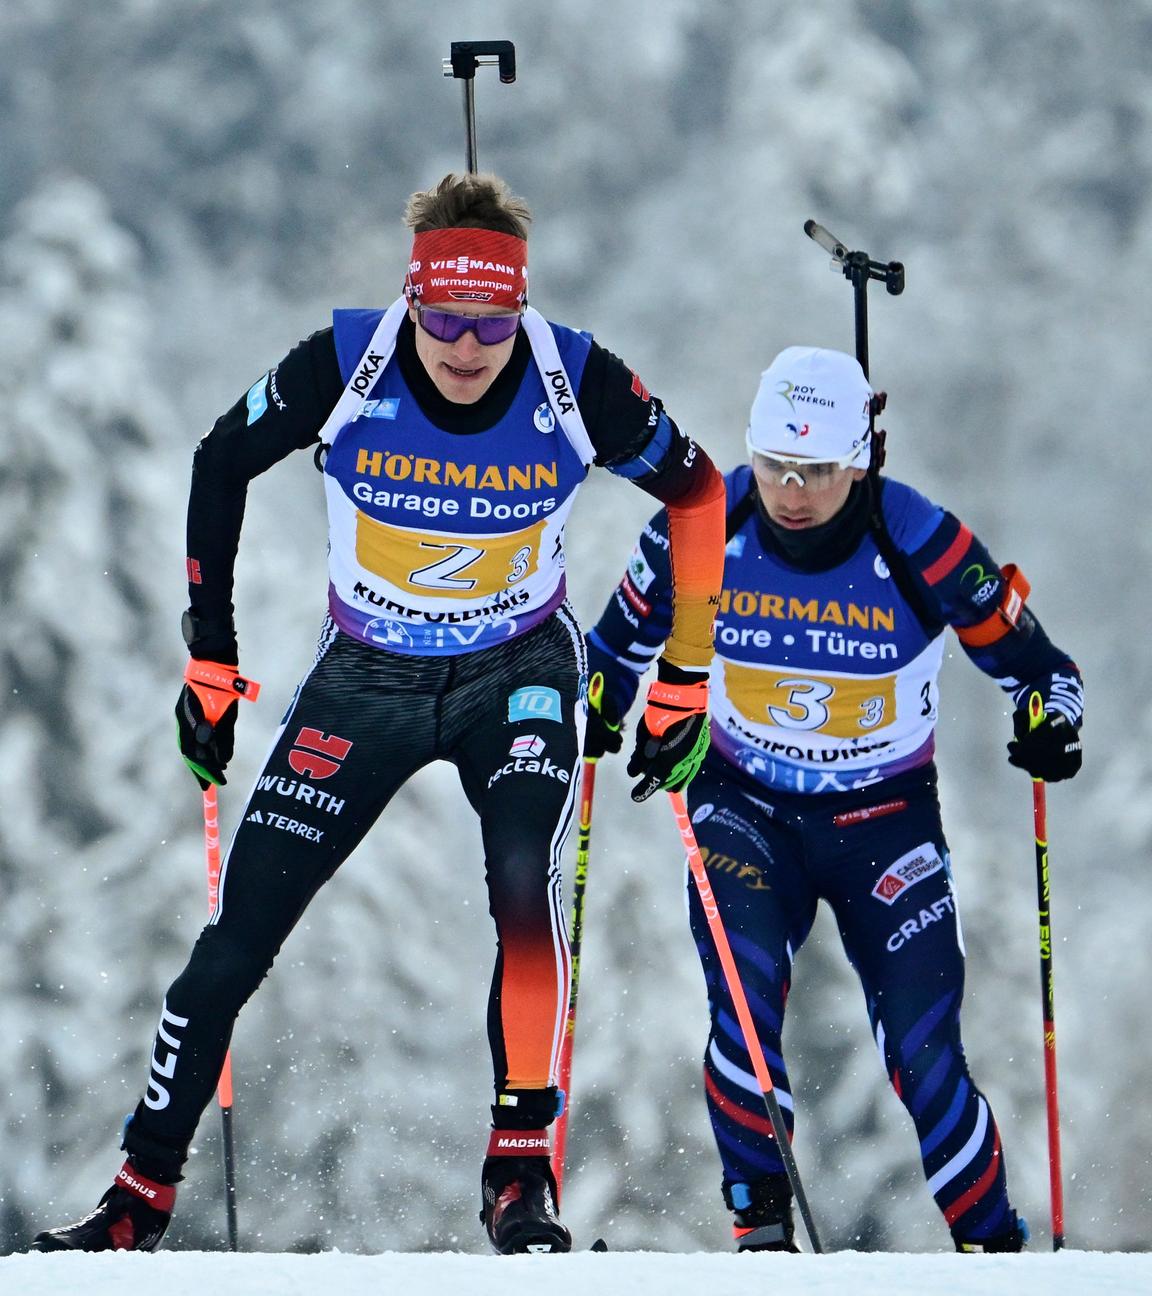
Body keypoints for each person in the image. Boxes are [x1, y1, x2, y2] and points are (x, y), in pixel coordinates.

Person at [32, 173, 726, 1256]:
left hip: (519, 670)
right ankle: (136, 1196)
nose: (463, 346)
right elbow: (222, 459)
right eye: (441, 319)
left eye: (489, 322)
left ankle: (519, 1174)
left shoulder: (573, 375)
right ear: (410, 302)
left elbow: (697, 490)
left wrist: (684, 676)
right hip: (368, 679)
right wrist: (211, 658)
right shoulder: (347, 362)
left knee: (518, 892)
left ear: (519, 311)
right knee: (234, 945)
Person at [584, 346, 1083, 1253]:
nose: (792, 490)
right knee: (742, 1012)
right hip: (744, 808)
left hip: (883, 822)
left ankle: (995, 1252)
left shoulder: (916, 535)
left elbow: (1041, 669)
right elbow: (611, 650)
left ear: (861, 458)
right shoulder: (705, 522)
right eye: (775, 463)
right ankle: (762, 1237)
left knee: (924, 1053)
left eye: (816, 469)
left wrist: (1050, 720)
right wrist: (598, 711)